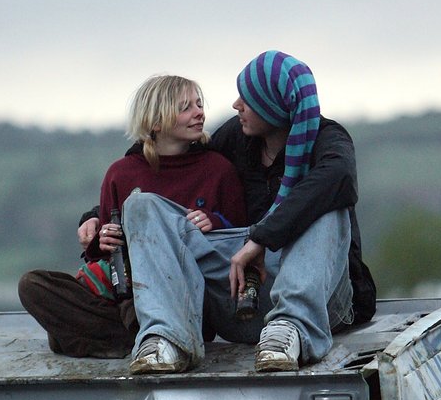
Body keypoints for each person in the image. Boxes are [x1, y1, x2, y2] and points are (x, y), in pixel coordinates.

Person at [113, 50, 375, 375]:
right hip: (242, 298)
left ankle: (290, 328)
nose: (237, 105)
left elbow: (339, 180)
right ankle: (168, 339)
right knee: (141, 204)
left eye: (248, 99)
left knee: (328, 205)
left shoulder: (328, 140)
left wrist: (261, 238)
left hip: (320, 300)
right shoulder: (236, 138)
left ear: (273, 106)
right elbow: (169, 160)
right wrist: (100, 214)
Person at [18, 74, 246, 358]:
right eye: (186, 107)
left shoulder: (218, 169)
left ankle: (95, 336)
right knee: (33, 285)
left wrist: (215, 223)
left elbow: (240, 245)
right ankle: (130, 339)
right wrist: (102, 239)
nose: (199, 112)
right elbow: (101, 258)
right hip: (122, 292)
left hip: (184, 297)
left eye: (200, 104)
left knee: (69, 332)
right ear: (156, 122)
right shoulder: (121, 173)